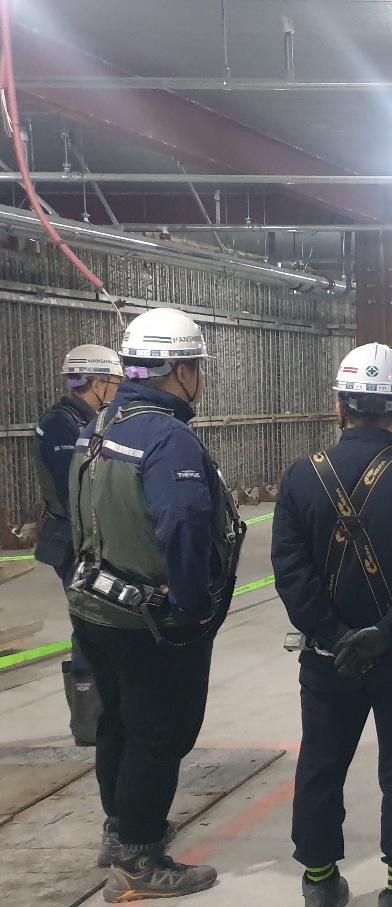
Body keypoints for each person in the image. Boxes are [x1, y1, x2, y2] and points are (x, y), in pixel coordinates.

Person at [273, 343, 392, 907]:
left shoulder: (301, 477)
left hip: (327, 659)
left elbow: (290, 572)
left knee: (321, 764)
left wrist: (336, 637)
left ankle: (320, 883)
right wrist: (387, 632)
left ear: (340, 406)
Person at [68, 307, 247, 900]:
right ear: (182, 371)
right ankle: (140, 859)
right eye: (197, 368)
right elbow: (184, 523)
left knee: (117, 721)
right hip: (149, 618)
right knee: (159, 734)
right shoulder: (167, 438)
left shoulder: (99, 424)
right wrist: (193, 607)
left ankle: (121, 829)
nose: (200, 378)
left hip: (95, 605)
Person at [34, 343, 122, 747]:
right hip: (72, 541)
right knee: (88, 622)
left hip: (89, 537)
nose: (118, 389)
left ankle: (105, 710)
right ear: (97, 382)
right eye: (114, 381)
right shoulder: (61, 425)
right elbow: (76, 489)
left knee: (100, 619)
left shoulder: (90, 420)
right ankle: (90, 720)